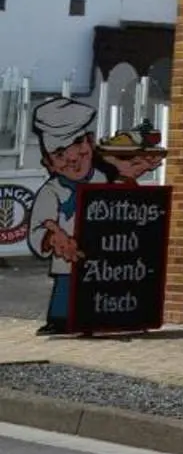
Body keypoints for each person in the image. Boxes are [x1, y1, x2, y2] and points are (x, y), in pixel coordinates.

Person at [27, 97, 99, 335]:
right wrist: (52, 237)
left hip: (103, 263)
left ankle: (98, 319)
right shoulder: (51, 191)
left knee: (97, 293)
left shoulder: (103, 180)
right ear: (48, 163)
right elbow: (38, 229)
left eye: (78, 143)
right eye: (59, 153)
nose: (72, 158)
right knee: (65, 290)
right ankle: (59, 320)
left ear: (91, 143)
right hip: (66, 264)